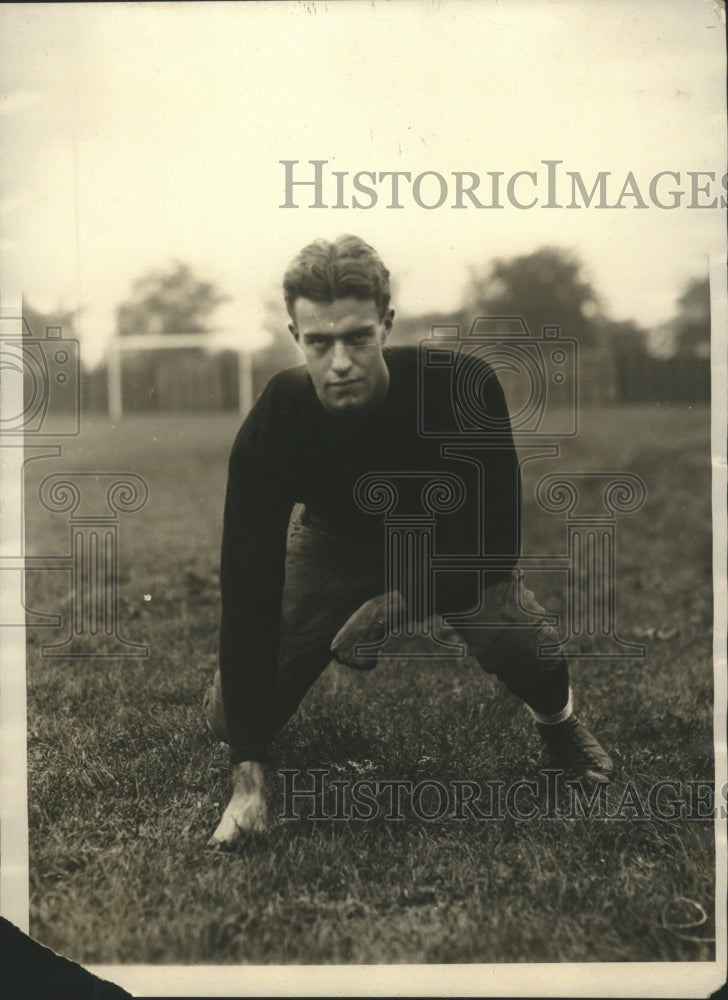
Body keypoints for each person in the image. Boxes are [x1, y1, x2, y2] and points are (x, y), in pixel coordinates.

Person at [204, 234, 613, 848]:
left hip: (448, 545)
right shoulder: (278, 415)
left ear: (386, 325)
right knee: (226, 717)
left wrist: (395, 603)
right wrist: (248, 773)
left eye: (357, 337)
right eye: (319, 342)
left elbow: (495, 542)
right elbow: (247, 581)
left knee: (514, 633)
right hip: (334, 542)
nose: (339, 360)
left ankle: (559, 728)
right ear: (296, 337)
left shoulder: (461, 386)